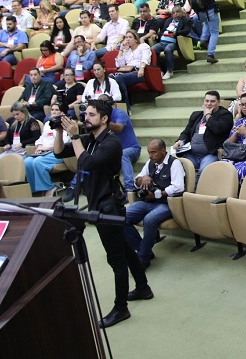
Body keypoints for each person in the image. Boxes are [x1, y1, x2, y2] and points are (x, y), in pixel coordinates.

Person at [54, 99, 150, 328]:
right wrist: (59, 131)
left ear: (104, 119)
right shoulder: (91, 140)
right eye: (85, 114)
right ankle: (143, 287)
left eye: (91, 115)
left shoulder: (112, 143)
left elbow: (85, 163)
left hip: (109, 205)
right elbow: (59, 152)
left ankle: (121, 308)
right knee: (124, 249)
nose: (86, 118)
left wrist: (75, 136)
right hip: (99, 201)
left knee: (116, 258)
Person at [125, 139, 186, 269]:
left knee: (149, 220)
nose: (150, 155)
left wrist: (158, 194)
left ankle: (142, 258)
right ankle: (144, 250)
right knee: (122, 217)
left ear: (163, 151)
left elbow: (178, 187)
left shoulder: (174, 163)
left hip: (166, 204)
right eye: (149, 152)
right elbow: (136, 182)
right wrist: (143, 179)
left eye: (153, 152)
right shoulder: (150, 163)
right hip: (148, 202)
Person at [173, 91, 234, 179]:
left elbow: (218, 129)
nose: (209, 104)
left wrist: (208, 115)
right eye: (207, 101)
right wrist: (181, 141)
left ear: (219, 102)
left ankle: (196, 192)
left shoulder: (225, 115)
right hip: (191, 154)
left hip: (210, 154)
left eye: (212, 101)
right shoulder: (196, 115)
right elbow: (186, 132)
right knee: (176, 166)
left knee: (203, 172)